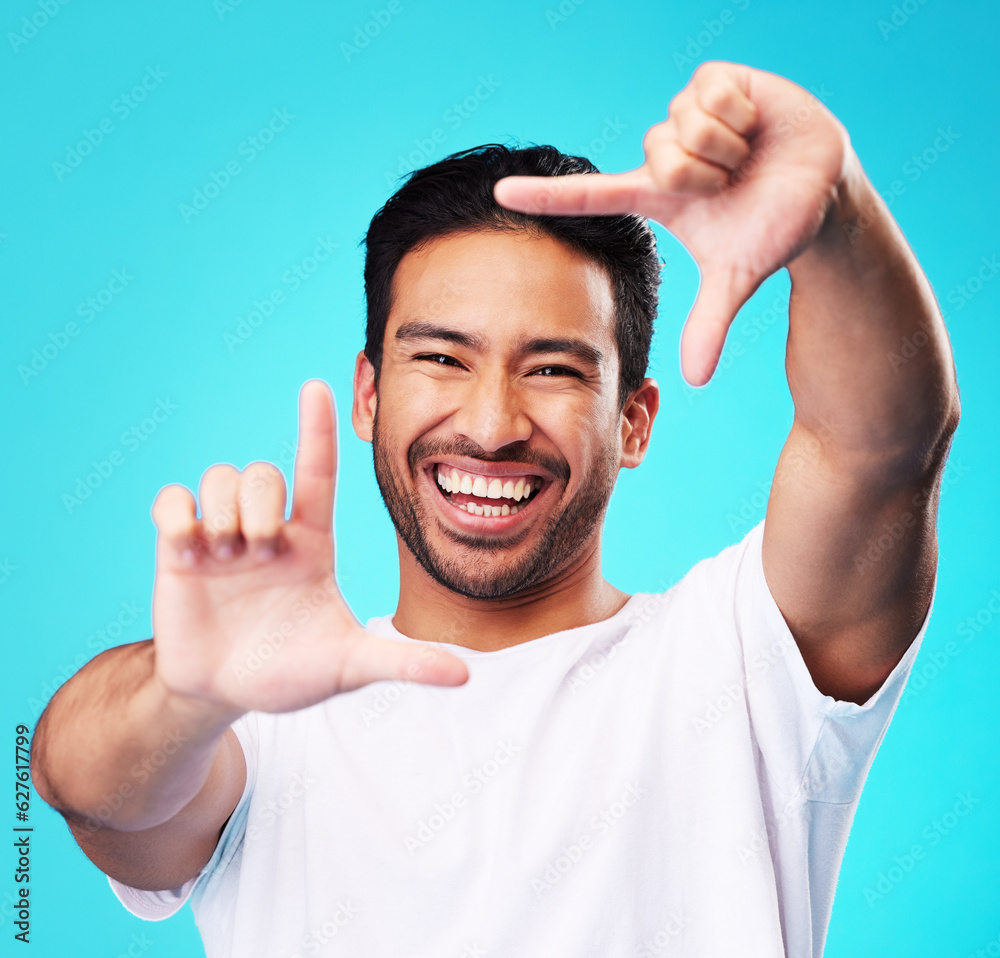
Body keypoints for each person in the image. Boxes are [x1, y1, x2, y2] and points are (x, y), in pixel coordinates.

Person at [31, 61, 959, 957]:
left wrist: (835, 215)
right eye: (442, 358)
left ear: (633, 422)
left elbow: (880, 450)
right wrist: (188, 693)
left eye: (553, 369)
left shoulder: (744, 667)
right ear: (368, 395)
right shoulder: (260, 719)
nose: (490, 424)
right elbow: (84, 784)